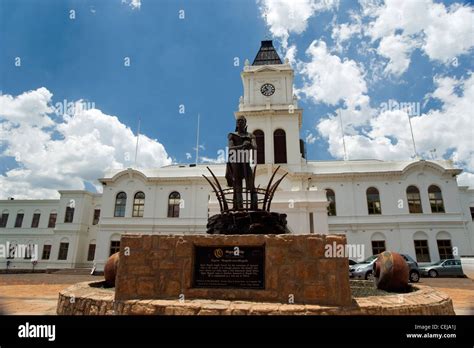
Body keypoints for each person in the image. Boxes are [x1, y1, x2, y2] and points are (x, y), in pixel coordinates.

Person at [225, 116, 258, 210]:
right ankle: (239, 208)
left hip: (246, 162)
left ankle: (254, 207)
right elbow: (230, 148)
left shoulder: (251, 135)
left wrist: (250, 144)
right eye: (238, 121)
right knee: (238, 185)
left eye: (242, 121)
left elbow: (255, 147)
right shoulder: (232, 135)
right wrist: (242, 146)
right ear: (236, 123)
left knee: (251, 185)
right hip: (235, 161)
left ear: (245, 123)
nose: (239, 122)